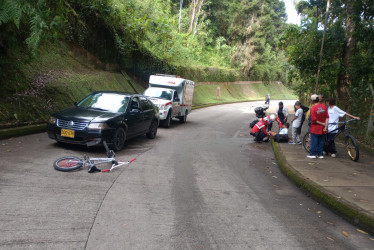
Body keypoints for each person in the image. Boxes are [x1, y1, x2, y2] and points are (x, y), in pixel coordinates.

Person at [307, 94, 329, 159]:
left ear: (313, 101)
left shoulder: (313, 108)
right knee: (321, 141)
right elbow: (327, 117)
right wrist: (325, 126)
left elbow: (314, 120)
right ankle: (320, 154)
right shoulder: (324, 107)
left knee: (314, 141)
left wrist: (322, 124)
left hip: (315, 128)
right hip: (323, 129)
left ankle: (312, 154)